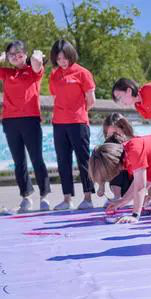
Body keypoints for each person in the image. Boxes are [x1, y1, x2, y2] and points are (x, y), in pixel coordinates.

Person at [0, 40, 50, 212]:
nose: (15, 57)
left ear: (25, 54)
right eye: (11, 54)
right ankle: (26, 196)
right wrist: (1, 58)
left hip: (30, 119)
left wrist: (35, 56)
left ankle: (45, 196)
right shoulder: (6, 73)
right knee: (18, 161)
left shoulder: (33, 71)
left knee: (36, 158)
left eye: (19, 53)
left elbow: (37, 65)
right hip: (10, 120)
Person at [49, 39, 96, 210]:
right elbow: (56, 97)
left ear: (71, 55)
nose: (62, 61)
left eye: (64, 57)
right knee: (63, 161)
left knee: (83, 161)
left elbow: (91, 100)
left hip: (78, 123)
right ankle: (67, 199)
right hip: (59, 123)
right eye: (58, 58)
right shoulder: (54, 75)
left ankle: (88, 198)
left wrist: (78, 111)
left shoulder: (83, 73)